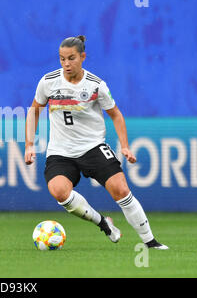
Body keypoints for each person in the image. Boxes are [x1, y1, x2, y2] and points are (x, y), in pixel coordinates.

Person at [24, 36, 168, 250]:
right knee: (59, 191)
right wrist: (29, 144)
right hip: (60, 151)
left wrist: (125, 146)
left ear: (82, 57)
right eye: (62, 59)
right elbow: (34, 110)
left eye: (71, 58)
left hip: (92, 147)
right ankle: (103, 223)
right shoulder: (48, 82)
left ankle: (150, 241)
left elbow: (116, 114)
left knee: (121, 189)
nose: (66, 64)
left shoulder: (96, 85)